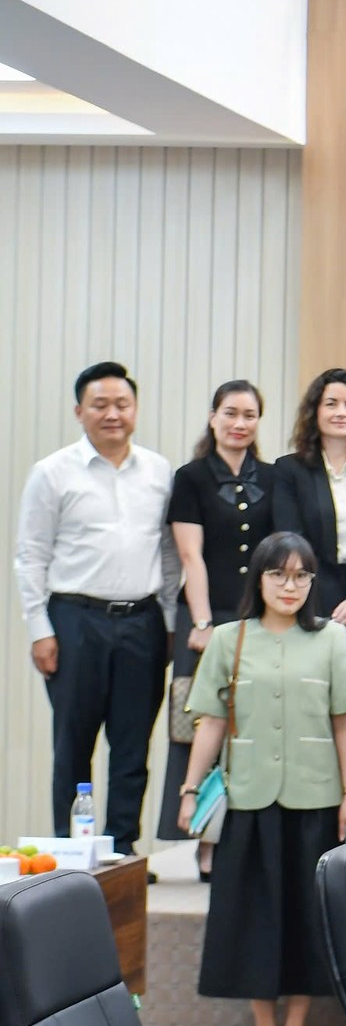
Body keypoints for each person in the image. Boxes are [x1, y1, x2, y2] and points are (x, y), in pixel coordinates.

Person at [176, 533, 346, 1026]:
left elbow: (345, 721)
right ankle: (262, 1024)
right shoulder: (228, 638)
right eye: (278, 574)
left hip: (315, 796)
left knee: (308, 912)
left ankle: (297, 1025)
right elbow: (210, 721)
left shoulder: (330, 639)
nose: (291, 585)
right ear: (258, 579)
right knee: (251, 912)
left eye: (302, 575)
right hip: (248, 797)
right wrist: (190, 790)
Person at [14, 362, 177, 850]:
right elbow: (30, 556)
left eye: (122, 404)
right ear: (79, 411)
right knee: (73, 747)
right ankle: (71, 852)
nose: (112, 414)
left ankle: (123, 851)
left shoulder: (158, 472)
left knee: (132, 748)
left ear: (136, 410)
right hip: (74, 622)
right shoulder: (52, 472)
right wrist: (40, 629)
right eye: (100, 405)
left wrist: (167, 622)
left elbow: (169, 555)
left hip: (142, 621)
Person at [160, 381, 274, 861]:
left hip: (257, 618)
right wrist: (204, 622)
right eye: (230, 413)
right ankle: (204, 837)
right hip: (207, 616)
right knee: (202, 723)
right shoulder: (190, 477)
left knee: (251, 726)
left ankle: (243, 837)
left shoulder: (272, 476)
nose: (239, 423)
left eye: (249, 415)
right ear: (213, 418)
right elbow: (191, 555)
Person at [271, 368, 346, 646]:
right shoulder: (290, 470)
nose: (342, 412)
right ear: (314, 412)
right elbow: (292, 541)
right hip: (309, 598)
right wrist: (325, 610)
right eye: (331, 404)